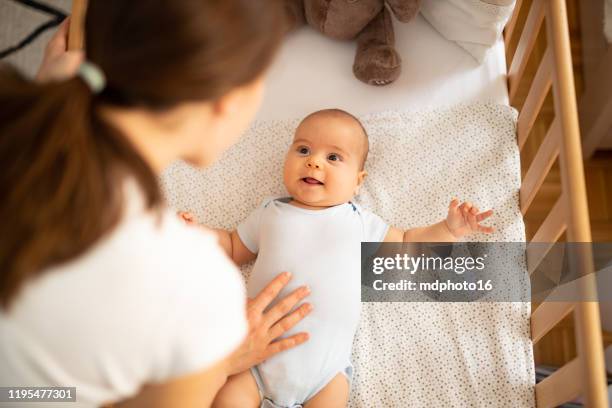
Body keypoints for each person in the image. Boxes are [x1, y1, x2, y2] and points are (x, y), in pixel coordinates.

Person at [0, 1, 313, 407]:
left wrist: (51, 85)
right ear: (226, 102)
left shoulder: (21, 124)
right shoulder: (197, 288)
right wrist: (223, 362)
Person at [179, 109, 494, 408]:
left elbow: (408, 243)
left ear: (358, 180)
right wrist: (197, 234)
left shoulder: (360, 221)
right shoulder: (270, 211)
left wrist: (449, 230)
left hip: (325, 375)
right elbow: (233, 246)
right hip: (252, 361)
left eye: (333, 157)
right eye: (303, 150)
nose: (314, 162)